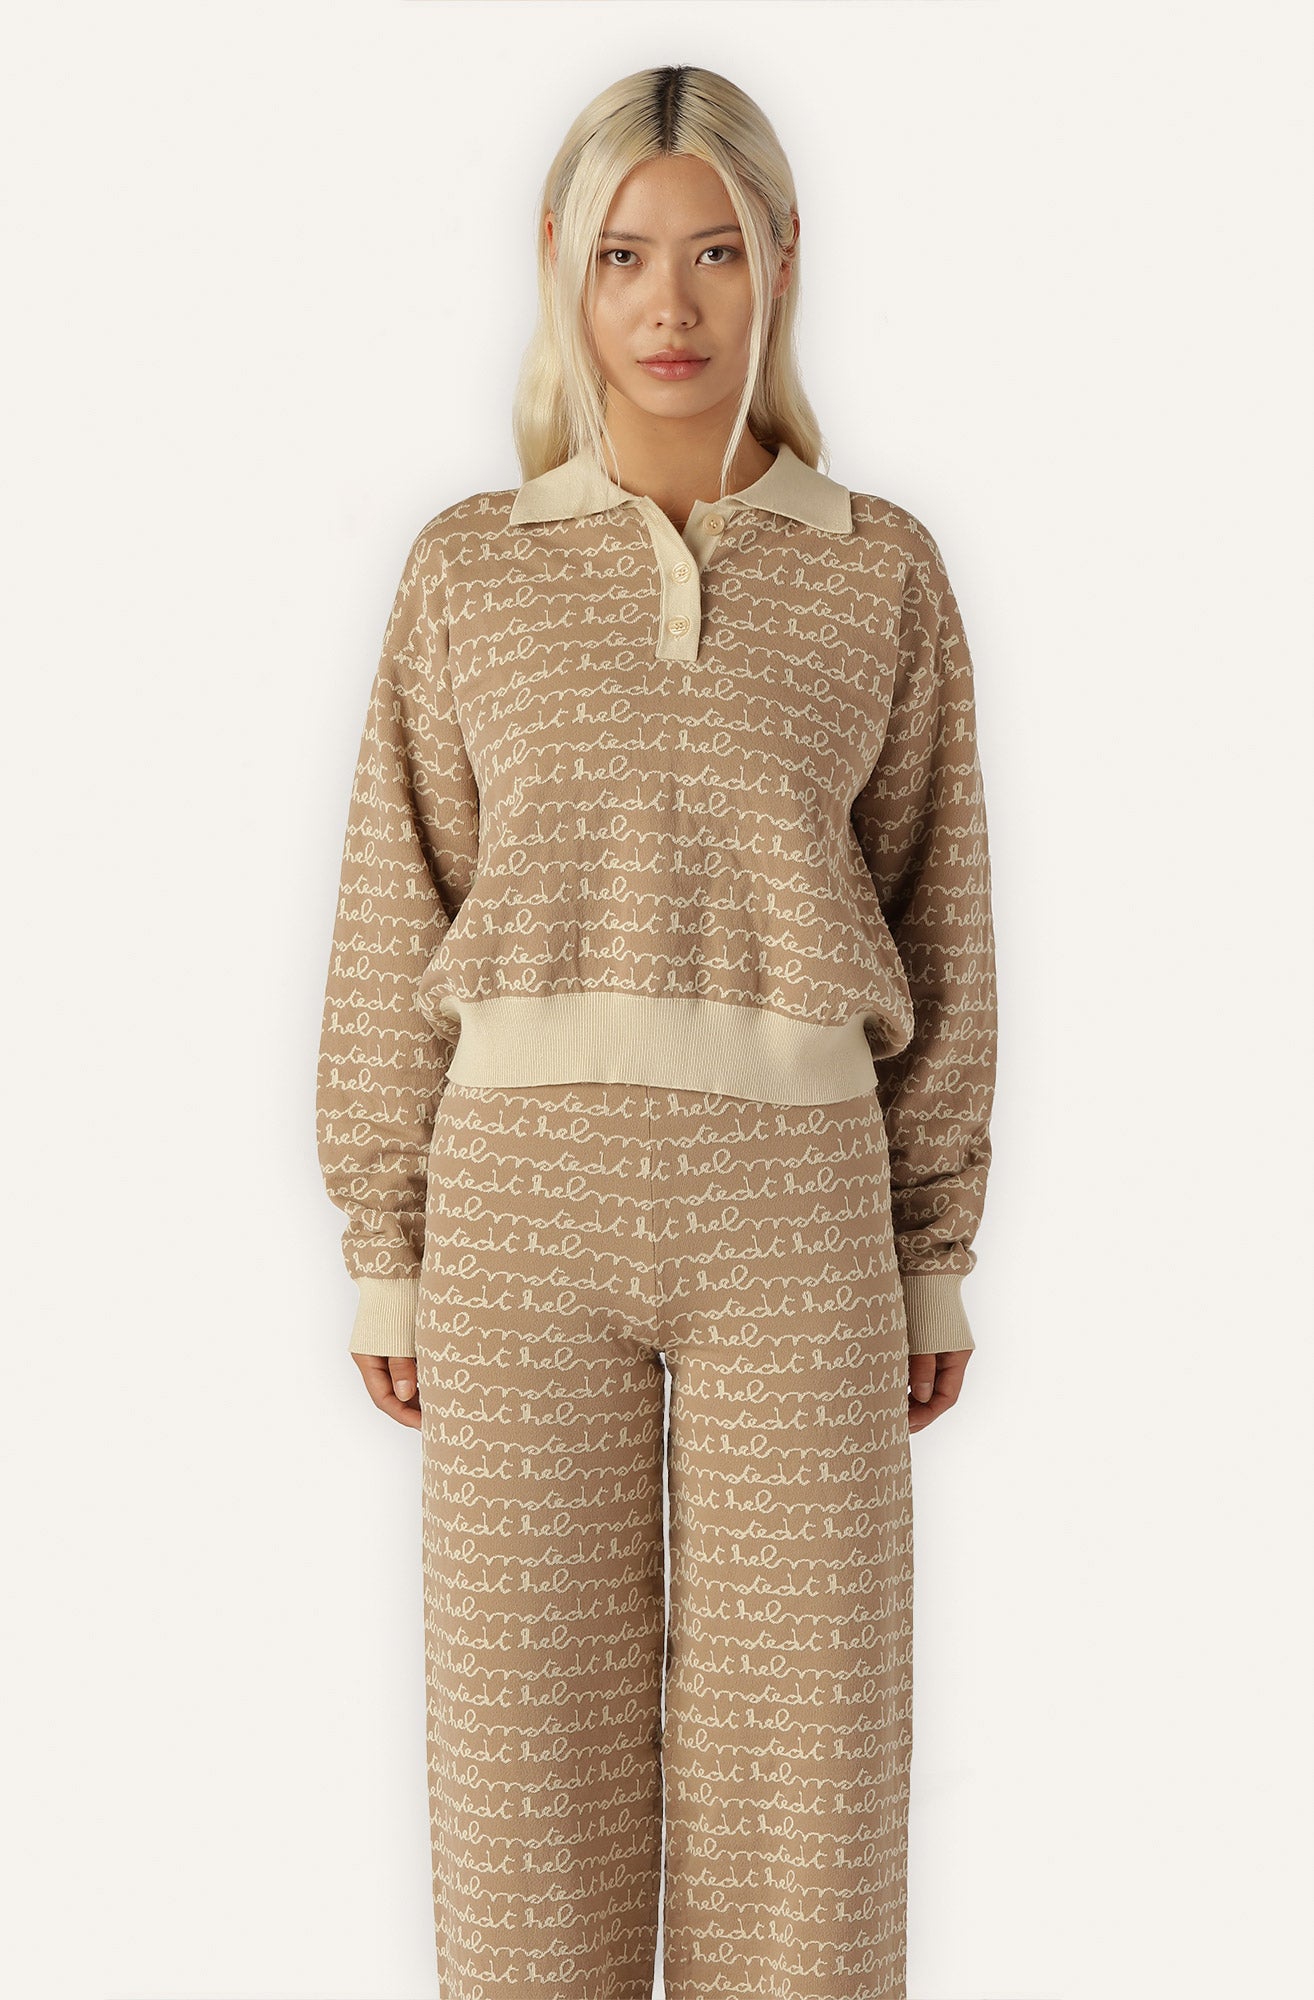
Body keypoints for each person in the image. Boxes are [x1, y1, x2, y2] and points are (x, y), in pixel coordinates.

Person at [316, 61, 997, 2000]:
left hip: (796, 1203)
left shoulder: (876, 567)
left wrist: (932, 1255)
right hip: (521, 1206)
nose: (670, 305)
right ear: (560, 262)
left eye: (713, 252)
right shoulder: (470, 565)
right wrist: (385, 1245)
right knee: (519, 1766)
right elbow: (394, 900)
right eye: (625, 255)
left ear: (782, 260)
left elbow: (942, 910)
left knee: (812, 1767)